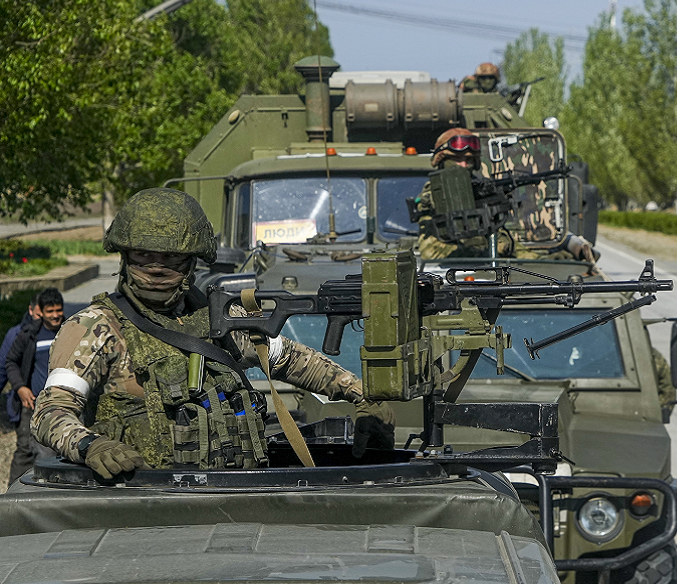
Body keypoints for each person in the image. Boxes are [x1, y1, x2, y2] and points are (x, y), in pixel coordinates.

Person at [30, 188, 395, 480]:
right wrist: (90, 446)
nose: (157, 269)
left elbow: (293, 360)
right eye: (144, 256)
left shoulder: (218, 317)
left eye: (171, 258)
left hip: (237, 498)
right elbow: (49, 413)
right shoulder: (95, 328)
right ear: (125, 258)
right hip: (144, 503)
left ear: (191, 262)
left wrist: (365, 397)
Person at [416, 128, 597, 263]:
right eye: (457, 159)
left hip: (484, 269)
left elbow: (505, 244)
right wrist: (487, 254)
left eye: (469, 160)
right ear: (442, 160)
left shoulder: (477, 190)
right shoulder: (435, 192)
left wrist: (540, 261)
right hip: (447, 272)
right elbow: (431, 251)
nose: (464, 165)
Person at [5, 288, 63, 485]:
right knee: (25, 450)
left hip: (63, 403)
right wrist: (20, 387)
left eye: (58, 310)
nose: (55, 316)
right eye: (50, 311)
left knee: (57, 451)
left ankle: (52, 492)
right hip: (33, 403)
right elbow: (10, 362)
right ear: (41, 311)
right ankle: (13, 495)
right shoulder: (29, 334)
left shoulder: (71, 330)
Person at [1, 294, 41, 428]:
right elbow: (3, 369)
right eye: (38, 316)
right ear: (31, 310)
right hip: (24, 405)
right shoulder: (16, 335)